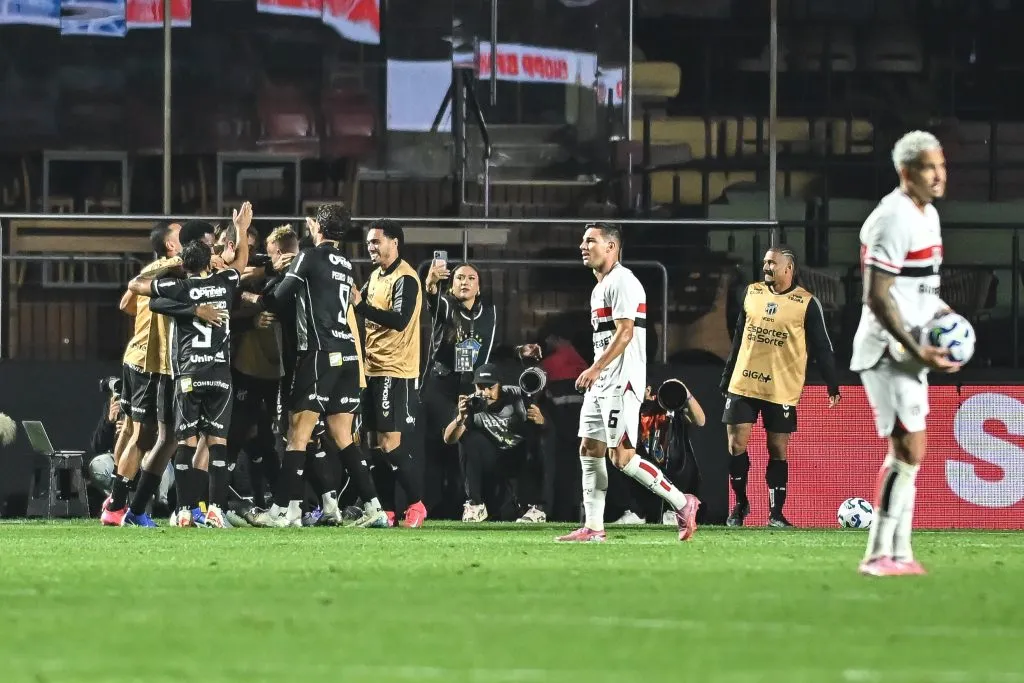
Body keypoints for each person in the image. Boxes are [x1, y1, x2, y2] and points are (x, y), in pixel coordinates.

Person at [852, 130, 959, 577]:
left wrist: (947, 316)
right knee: (908, 446)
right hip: (887, 349)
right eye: (929, 167)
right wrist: (915, 348)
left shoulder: (927, 215)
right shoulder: (893, 218)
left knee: (912, 448)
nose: (939, 175)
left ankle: (899, 553)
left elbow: (920, 288)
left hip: (910, 351)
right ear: (905, 172)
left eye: (942, 166)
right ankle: (879, 554)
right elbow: (877, 297)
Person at [559, 222, 700, 543]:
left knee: (621, 457)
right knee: (589, 448)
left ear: (611, 247)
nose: (583, 246)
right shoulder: (600, 287)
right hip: (602, 383)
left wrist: (594, 368)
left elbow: (625, 333)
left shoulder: (624, 282)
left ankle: (682, 503)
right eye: (583, 241)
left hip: (621, 382)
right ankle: (594, 527)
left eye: (591, 241)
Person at [251, 204, 387, 528]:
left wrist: (251, 299)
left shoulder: (310, 256)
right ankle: (374, 508)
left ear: (318, 228)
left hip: (319, 352)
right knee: (342, 435)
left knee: (298, 433)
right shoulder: (346, 264)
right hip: (348, 355)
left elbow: (279, 297)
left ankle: (282, 510)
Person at [127, 208, 250, 528]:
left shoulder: (188, 279)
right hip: (173, 370)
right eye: (210, 245)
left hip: (188, 371)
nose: (216, 249)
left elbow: (147, 297)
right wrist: (194, 306)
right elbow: (133, 295)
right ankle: (140, 507)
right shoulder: (170, 271)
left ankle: (190, 508)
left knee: (188, 441)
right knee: (173, 441)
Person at [720, 245, 841, 528]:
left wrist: (832, 384)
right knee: (736, 444)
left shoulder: (806, 302)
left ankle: (776, 513)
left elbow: (823, 347)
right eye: (764, 262)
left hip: (781, 388)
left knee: (777, 449)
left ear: (789, 268)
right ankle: (740, 504)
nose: (766, 267)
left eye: (772, 263)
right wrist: (727, 376)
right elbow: (739, 336)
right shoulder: (752, 293)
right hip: (744, 382)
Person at [352, 219, 427, 527]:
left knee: (390, 444)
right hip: (372, 367)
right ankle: (386, 510)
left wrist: (360, 305)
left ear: (394, 242)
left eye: (376, 241)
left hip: (394, 369)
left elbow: (399, 319)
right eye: (369, 242)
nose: (371, 246)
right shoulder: (375, 276)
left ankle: (417, 504)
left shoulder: (405, 278)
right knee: (372, 445)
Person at [421, 259, 497, 519]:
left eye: (470, 278)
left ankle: (474, 503)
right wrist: (431, 283)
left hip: (468, 386)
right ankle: (425, 505)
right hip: (440, 385)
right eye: (459, 278)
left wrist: (482, 387)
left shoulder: (489, 312)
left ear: (479, 286)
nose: (464, 282)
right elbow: (432, 298)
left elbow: (487, 350)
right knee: (440, 441)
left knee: (467, 439)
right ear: (451, 285)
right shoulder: (445, 305)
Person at [442, 364, 553, 522]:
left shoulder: (519, 395)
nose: (485, 392)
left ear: (500, 385)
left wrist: (541, 421)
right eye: (480, 386)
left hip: (518, 456)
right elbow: (448, 439)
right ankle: (475, 505)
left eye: (490, 387)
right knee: (467, 438)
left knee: (536, 439)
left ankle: (536, 507)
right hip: (493, 458)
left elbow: (547, 431)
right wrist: (460, 418)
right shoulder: (472, 403)